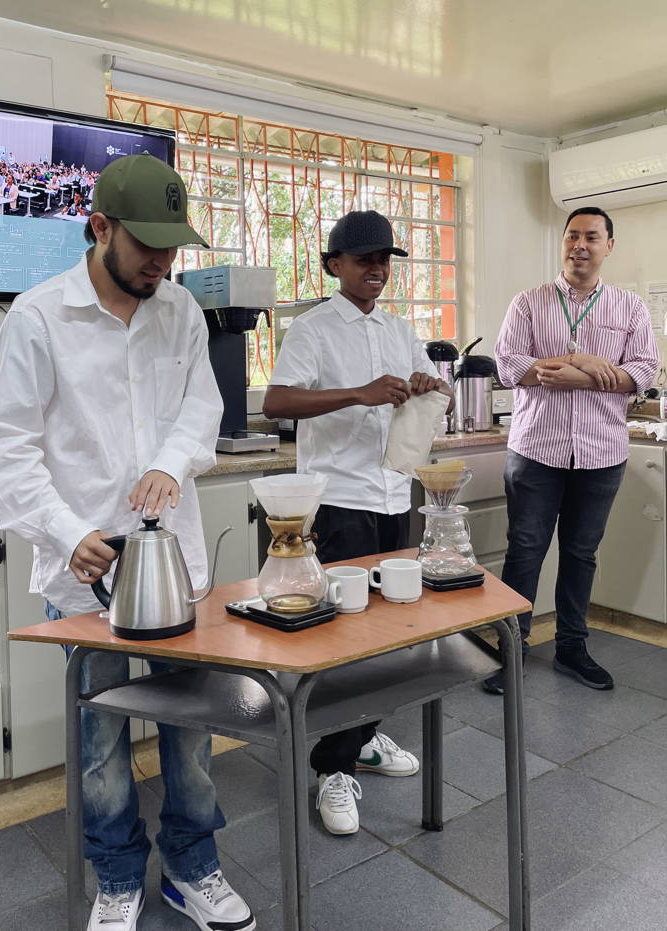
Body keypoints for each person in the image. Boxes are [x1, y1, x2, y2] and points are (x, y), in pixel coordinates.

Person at [0, 154, 254, 931]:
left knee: (190, 724)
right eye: (147, 247)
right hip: (84, 572)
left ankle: (193, 869)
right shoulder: (37, 318)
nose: (163, 264)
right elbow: (6, 451)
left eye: (173, 248)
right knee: (100, 737)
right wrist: (69, 534)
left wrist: (171, 464)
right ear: (100, 227)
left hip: (176, 565)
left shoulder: (180, 312)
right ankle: (118, 876)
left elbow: (202, 406)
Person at [263, 209, 453, 836]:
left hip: (396, 494)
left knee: (390, 631)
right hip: (340, 500)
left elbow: (411, 386)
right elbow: (277, 401)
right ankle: (332, 767)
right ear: (333, 265)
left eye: (385, 260)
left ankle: (363, 738)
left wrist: (420, 381)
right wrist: (359, 393)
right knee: (343, 637)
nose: (377, 269)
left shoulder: (400, 328)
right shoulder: (315, 329)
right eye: (364, 259)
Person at [483, 206, 658, 695]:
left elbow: (644, 370)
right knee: (526, 551)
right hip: (537, 448)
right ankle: (511, 652)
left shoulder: (629, 308)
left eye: (592, 237)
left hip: (602, 453)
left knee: (582, 553)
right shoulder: (528, 303)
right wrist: (585, 363)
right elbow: (509, 363)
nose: (580, 245)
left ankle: (571, 648)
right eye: (572, 236)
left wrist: (571, 374)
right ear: (563, 243)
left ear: (609, 246)